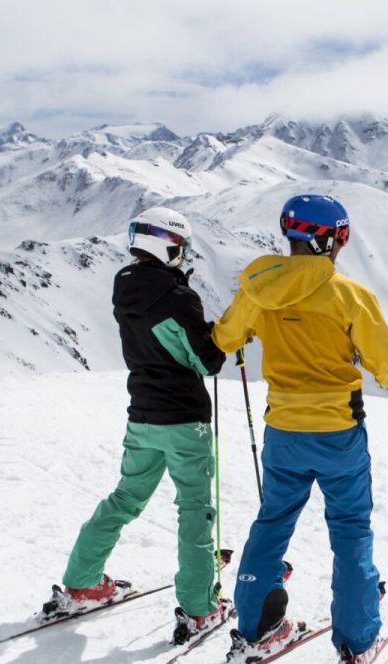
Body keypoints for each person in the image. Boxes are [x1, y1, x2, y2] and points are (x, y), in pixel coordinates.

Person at [213, 194, 388, 664]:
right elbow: (387, 366)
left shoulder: (257, 289)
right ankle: (356, 639)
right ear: (334, 238)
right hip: (338, 431)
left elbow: (225, 338)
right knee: (351, 530)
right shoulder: (349, 295)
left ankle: (254, 627)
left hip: (283, 431)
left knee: (272, 523)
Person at [44, 205, 232, 646]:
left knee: (125, 497)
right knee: (195, 510)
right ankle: (200, 608)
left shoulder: (123, 286)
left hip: (142, 414)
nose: (182, 256)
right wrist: (216, 335)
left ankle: (81, 580)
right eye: (180, 248)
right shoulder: (178, 297)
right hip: (184, 419)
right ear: (169, 246)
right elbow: (207, 360)